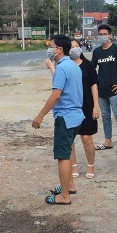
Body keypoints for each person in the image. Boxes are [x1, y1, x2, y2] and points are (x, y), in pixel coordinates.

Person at [32, 34, 84, 205]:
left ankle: (64, 196)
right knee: (67, 151)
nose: (49, 49)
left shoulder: (61, 68)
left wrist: (40, 115)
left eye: (51, 46)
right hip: (76, 116)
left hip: (65, 117)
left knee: (63, 156)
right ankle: (69, 185)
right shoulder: (73, 65)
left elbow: (56, 95)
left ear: (60, 49)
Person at [46, 38, 100, 180]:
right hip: (72, 106)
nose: (74, 49)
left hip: (85, 105)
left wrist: (96, 105)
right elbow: (61, 83)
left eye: (76, 46)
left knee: (86, 137)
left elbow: (93, 85)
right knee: (70, 141)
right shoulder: (68, 66)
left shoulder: (86, 66)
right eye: (72, 47)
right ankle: (73, 166)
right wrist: (52, 68)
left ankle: (90, 165)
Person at [91, 24, 117, 153]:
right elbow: (92, 69)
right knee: (105, 116)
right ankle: (108, 141)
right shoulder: (97, 52)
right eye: (100, 34)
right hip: (101, 90)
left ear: (110, 35)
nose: (102, 36)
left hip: (115, 90)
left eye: (105, 34)